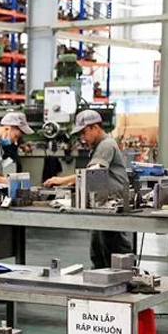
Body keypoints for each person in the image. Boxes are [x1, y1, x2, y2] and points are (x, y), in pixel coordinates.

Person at [43, 109, 132, 269]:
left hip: (112, 205)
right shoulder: (99, 146)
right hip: (103, 204)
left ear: (95, 128)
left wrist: (61, 180)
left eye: (84, 132)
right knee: (98, 251)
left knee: (114, 249)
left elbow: (93, 173)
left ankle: (122, 277)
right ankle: (99, 278)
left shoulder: (106, 145)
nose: (83, 138)